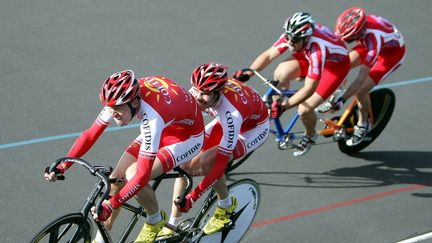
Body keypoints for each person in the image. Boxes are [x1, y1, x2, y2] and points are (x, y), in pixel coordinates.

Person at [44, 70, 205, 243]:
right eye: (110, 108)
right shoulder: (119, 99)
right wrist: (64, 165)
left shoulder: (152, 118)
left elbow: (141, 175)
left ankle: (155, 219)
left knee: (132, 175)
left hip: (188, 138)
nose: (113, 114)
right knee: (115, 181)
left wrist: (111, 204)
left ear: (135, 102)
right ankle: (101, 239)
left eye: (118, 109)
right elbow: (90, 134)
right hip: (169, 123)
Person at [156, 62, 270, 238]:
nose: (198, 97)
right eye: (196, 90)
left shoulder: (231, 114)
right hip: (225, 121)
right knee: (184, 165)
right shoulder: (200, 92)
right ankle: (173, 225)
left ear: (219, 93)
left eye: (205, 94)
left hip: (252, 129)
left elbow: (218, 167)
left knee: (208, 161)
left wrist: (193, 197)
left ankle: (226, 205)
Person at [232, 12, 350, 156]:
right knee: (281, 73)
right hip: (306, 55)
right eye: (287, 37)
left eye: (293, 40)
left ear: (306, 38)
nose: (289, 42)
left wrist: (284, 107)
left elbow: (308, 90)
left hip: (334, 69)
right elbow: (268, 55)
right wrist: (248, 73)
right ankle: (275, 104)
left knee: (304, 110)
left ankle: (310, 136)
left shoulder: (317, 51)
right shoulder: (294, 36)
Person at [316, 7, 405, 146]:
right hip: (369, 43)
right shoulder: (354, 26)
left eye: (348, 39)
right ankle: (337, 94)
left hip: (390, 55)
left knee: (361, 90)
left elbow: (362, 76)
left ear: (358, 33)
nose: (345, 41)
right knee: (343, 65)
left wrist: (343, 100)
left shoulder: (374, 40)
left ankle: (363, 125)